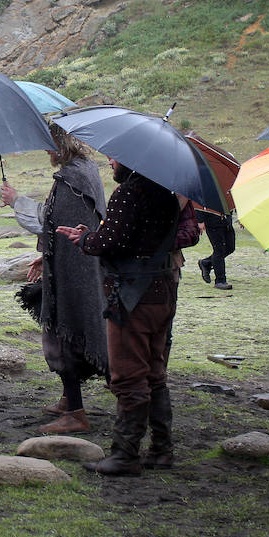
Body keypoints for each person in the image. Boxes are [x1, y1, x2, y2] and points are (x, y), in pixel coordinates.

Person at [57, 158, 181, 476]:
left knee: (128, 376)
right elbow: (132, 237)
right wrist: (96, 234)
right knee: (155, 372)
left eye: (114, 157)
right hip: (162, 293)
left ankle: (125, 455)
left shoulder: (129, 192)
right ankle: (161, 450)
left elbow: (113, 241)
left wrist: (86, 239)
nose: (110, 162)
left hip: (132, 298)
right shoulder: (166, 192)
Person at [0, 125, 107, 435]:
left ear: (65, 143)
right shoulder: (85, 171)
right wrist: (46, 254)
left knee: (65, 332)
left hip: (74, 272)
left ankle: (75, 413)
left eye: (51, 144)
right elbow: (60, 226)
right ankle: (67, 400)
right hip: (74, 263)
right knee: (63, 331)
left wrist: (17, 200)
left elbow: (53, 221)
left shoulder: (72, 179)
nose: (47, 151)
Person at [195, 208, 236, 290]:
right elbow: (198, 202)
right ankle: (220, 281)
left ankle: (206, 263)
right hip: (212, 220)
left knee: (230, 247)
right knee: (219, 251)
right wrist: (200, 220)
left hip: (226, 219)